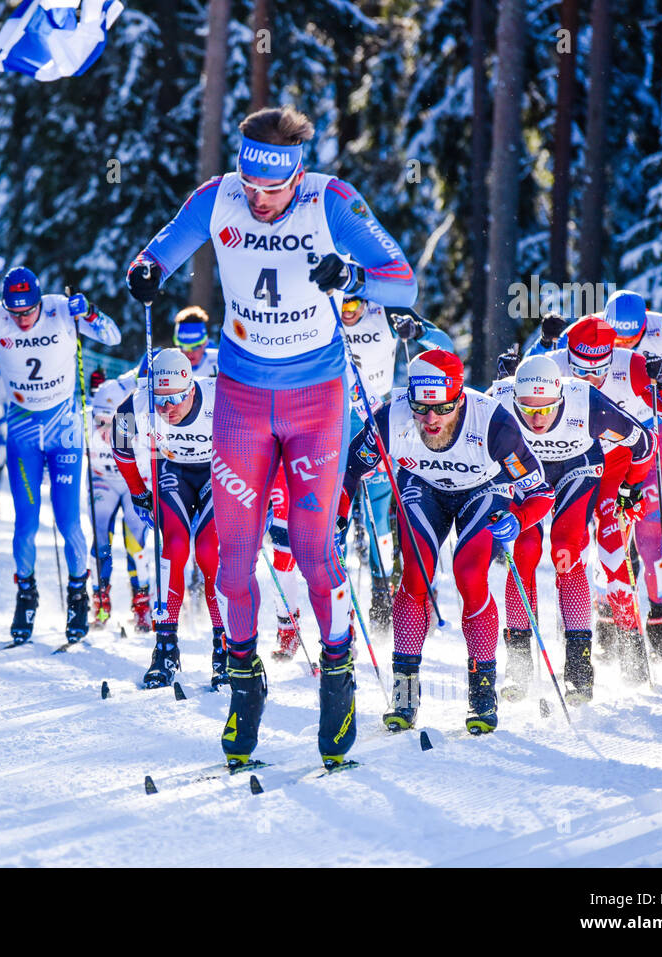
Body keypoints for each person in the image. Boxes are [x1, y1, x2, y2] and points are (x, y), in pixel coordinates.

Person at [127, 105, 418, 770]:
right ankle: (244, 681)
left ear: (297, 176)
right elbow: (164, 247)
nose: (261, 203)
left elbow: (404, 282)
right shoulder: (219, 197)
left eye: (274, 191)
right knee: (235, 558)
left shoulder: (331, 201)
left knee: (314, 550)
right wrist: (144, 270)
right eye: (252, 189)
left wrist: (353, 279)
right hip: (241, 396)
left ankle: (339, 677)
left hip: (317, 400)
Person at [339, 350, 555, 734]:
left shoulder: (493, 424)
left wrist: (518, 519)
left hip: (483, 490)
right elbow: (350, 470)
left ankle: (482, 693)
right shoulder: (392, 418)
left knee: (469, 574)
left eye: (443, 408)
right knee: (415, 575)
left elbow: (540, 492)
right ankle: (405, 693)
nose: (431, 419)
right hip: (423, 488)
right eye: (421, 408)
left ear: (460, 398)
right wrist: (337, 515)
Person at [0, 266, 121, 644]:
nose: (21, 320)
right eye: (14, 313)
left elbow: (112, 337)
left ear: (39, 301)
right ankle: (26, 595)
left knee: (69, 523)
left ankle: (78, 596)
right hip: (24, 431)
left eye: (27, 312)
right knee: (26, 525)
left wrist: (91, 312)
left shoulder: (60, 309)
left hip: (64, 429)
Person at [527, 315, 662, 674]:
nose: (590, 380)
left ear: (612, 355)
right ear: (567, 356)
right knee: (569, 550)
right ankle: (577, 642)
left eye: (599, 370)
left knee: (612, 549)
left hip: (618, 461)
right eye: (579, 370)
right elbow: (517, 389)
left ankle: (633, 647)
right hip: (570, 460)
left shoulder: (632, 366)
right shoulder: (553, 364)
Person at [489, 354, 655, 699]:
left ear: (561, 398)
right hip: (525, 471)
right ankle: (518, 665)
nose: (537, 419)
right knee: (523, 553)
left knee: (566, 550)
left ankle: (579, 667)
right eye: (528, 410)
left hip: (575, 468)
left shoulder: (587, 402)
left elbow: (643, 443)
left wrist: (629, 489)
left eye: (547, 409)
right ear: (514, 399)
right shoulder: (499, 398)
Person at [112, 349, 228, 690]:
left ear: (192, 387)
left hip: (215, 473)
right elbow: (121, 448)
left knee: (209, 553)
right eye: (161, 400)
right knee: (174, 548)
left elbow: (258, 435)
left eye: (177, 397)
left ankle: (224, 649)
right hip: (171, 472)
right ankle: (165, 649)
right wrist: (137, 492)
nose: (168, 408)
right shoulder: (136, 404)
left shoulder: (219, 395)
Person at [339, 295, 454, 635]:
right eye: (342, 307)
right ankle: (338, 593)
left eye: (353, 306)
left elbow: (443, 345)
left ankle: (380, 592)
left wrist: (416, 330)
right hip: (335, 417)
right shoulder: (322, 310)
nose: (348, 313)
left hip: (376, 413)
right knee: (337, 505)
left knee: (377, 509)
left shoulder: (385, 310)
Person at [88, 375, 152, 630]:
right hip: (102, 480)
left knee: (134, 541)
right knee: (101, 536)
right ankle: (100, 602)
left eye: (111, 423)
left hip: (132, 484)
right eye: (99, 422)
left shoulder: (134, 421)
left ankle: (142, 606)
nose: (104, 431)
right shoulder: (84, 421)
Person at [172, 306, 218, 377]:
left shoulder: (219, 363)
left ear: (205, 342)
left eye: (195, 347)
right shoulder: (168, 363)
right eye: (184, 348)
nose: (189, 354)